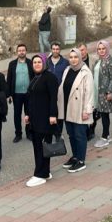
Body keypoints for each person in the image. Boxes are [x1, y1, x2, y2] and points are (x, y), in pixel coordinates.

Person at [23, 55, 59, 187]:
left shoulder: (50, 78)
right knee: (39, 146)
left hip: (45, 119)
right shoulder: (35, 78)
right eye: (35, 62)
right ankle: (45, 171)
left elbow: (53, 98)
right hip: (35, 119)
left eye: (39, 62)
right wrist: (27, 114)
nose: (37, 64)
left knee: (42, 147)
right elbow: (30, 98)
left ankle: (40, 174)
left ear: (44, 63)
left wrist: (53, 115)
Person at [58, 48, 94, 173]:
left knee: (80, 135)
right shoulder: (67, 70)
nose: (73, 59)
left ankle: (81, 160)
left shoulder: (85, 72)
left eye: (76, 57)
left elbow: (89, 93)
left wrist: (87, 110)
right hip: (67, 108)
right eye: (71, 57)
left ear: (80, 58)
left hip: (80, 109)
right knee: (71, 134)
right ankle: (75, 156)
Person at [92, 40, 112, 149]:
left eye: (103, 48)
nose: (101, 51)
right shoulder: (98, 61)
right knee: (101, 113)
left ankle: (105, 137)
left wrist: (110, 92)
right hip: (97, 92)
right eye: (99, 49)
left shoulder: (111, 61)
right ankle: (106, 135)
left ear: (107, 48)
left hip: (105, 93)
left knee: (104, 114)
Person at [7, 44, 33, 143]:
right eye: (19, 50)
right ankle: (18, 134)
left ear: (26, 51)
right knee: (17, 115)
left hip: (28, 94)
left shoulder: (31, 63)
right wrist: (8, 94)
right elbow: (9, 79)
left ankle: (29, 132)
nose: (21, 52)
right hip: (16, 94)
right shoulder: (12, 64)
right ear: (17, 52)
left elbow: (34, 78)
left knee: (29, 113)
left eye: (23, 50)